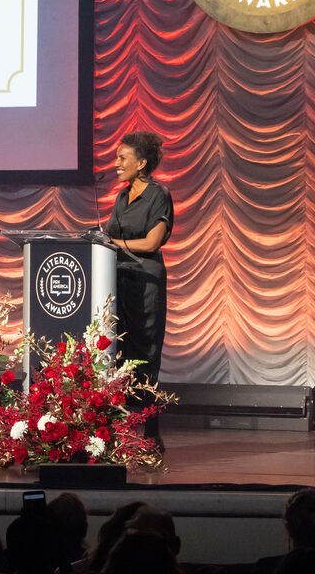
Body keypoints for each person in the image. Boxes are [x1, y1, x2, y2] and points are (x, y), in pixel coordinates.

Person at [105, 130, 173, 448]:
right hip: (118, 283)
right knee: (118, 358)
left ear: (142, 162)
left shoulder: (159, 195)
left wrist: (112, 243)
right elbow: (106, 239)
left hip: (145, 286)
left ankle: (150, 433)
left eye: (123, 158)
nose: (116, 163)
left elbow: (151, 242)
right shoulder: (121, 197)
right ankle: (118, 429)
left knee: (144, 357)